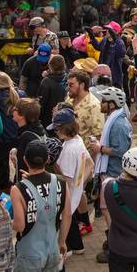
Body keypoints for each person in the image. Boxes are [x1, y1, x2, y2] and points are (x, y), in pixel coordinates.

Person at [11, 140, 72, 272]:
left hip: (29, 254)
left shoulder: (18, 189)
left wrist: (6, 221)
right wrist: (62, 241)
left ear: (25, 160)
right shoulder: (61, 182)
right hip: (52, 249)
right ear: (48, 159)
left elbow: (19, 225)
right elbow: (67, 215)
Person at [89, 86, 132, 264]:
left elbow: (121, 151)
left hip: (113, 173)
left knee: (109, 210)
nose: (101, 104)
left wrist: (100, 149)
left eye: (104, 101)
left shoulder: (118, 124)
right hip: (110, 171)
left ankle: (116, 245)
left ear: (112, 104)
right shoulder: (114, 119)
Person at [48, 107, 93, 255]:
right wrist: (80, 183)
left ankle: (66, 250)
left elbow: (65, 180)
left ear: (64, 128)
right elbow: (90, 164)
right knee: (70, 219)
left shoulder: (68, 150)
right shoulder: (78, 140)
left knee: (65, 221)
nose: (55, 132)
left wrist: (54, 164)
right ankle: (77, 246)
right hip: (75, 193)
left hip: (68, 196)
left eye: (57, 129)